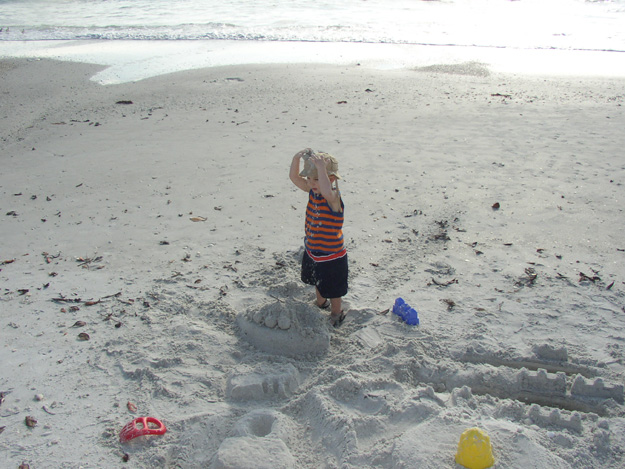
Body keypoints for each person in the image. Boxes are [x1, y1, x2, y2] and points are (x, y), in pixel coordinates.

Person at [289, 148, 348, 327]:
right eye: (309, 178)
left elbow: (326, 190)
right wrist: (296, 158)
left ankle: (336, 313)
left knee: (334, 287)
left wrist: (321, 169)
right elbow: (294, 178)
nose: (311, 183)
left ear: (330, 179)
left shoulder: (333, 197)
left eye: (316, 179)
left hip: (332, 254)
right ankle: (321, 303)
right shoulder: (312, 191)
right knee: (317, 280)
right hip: (313, 249)